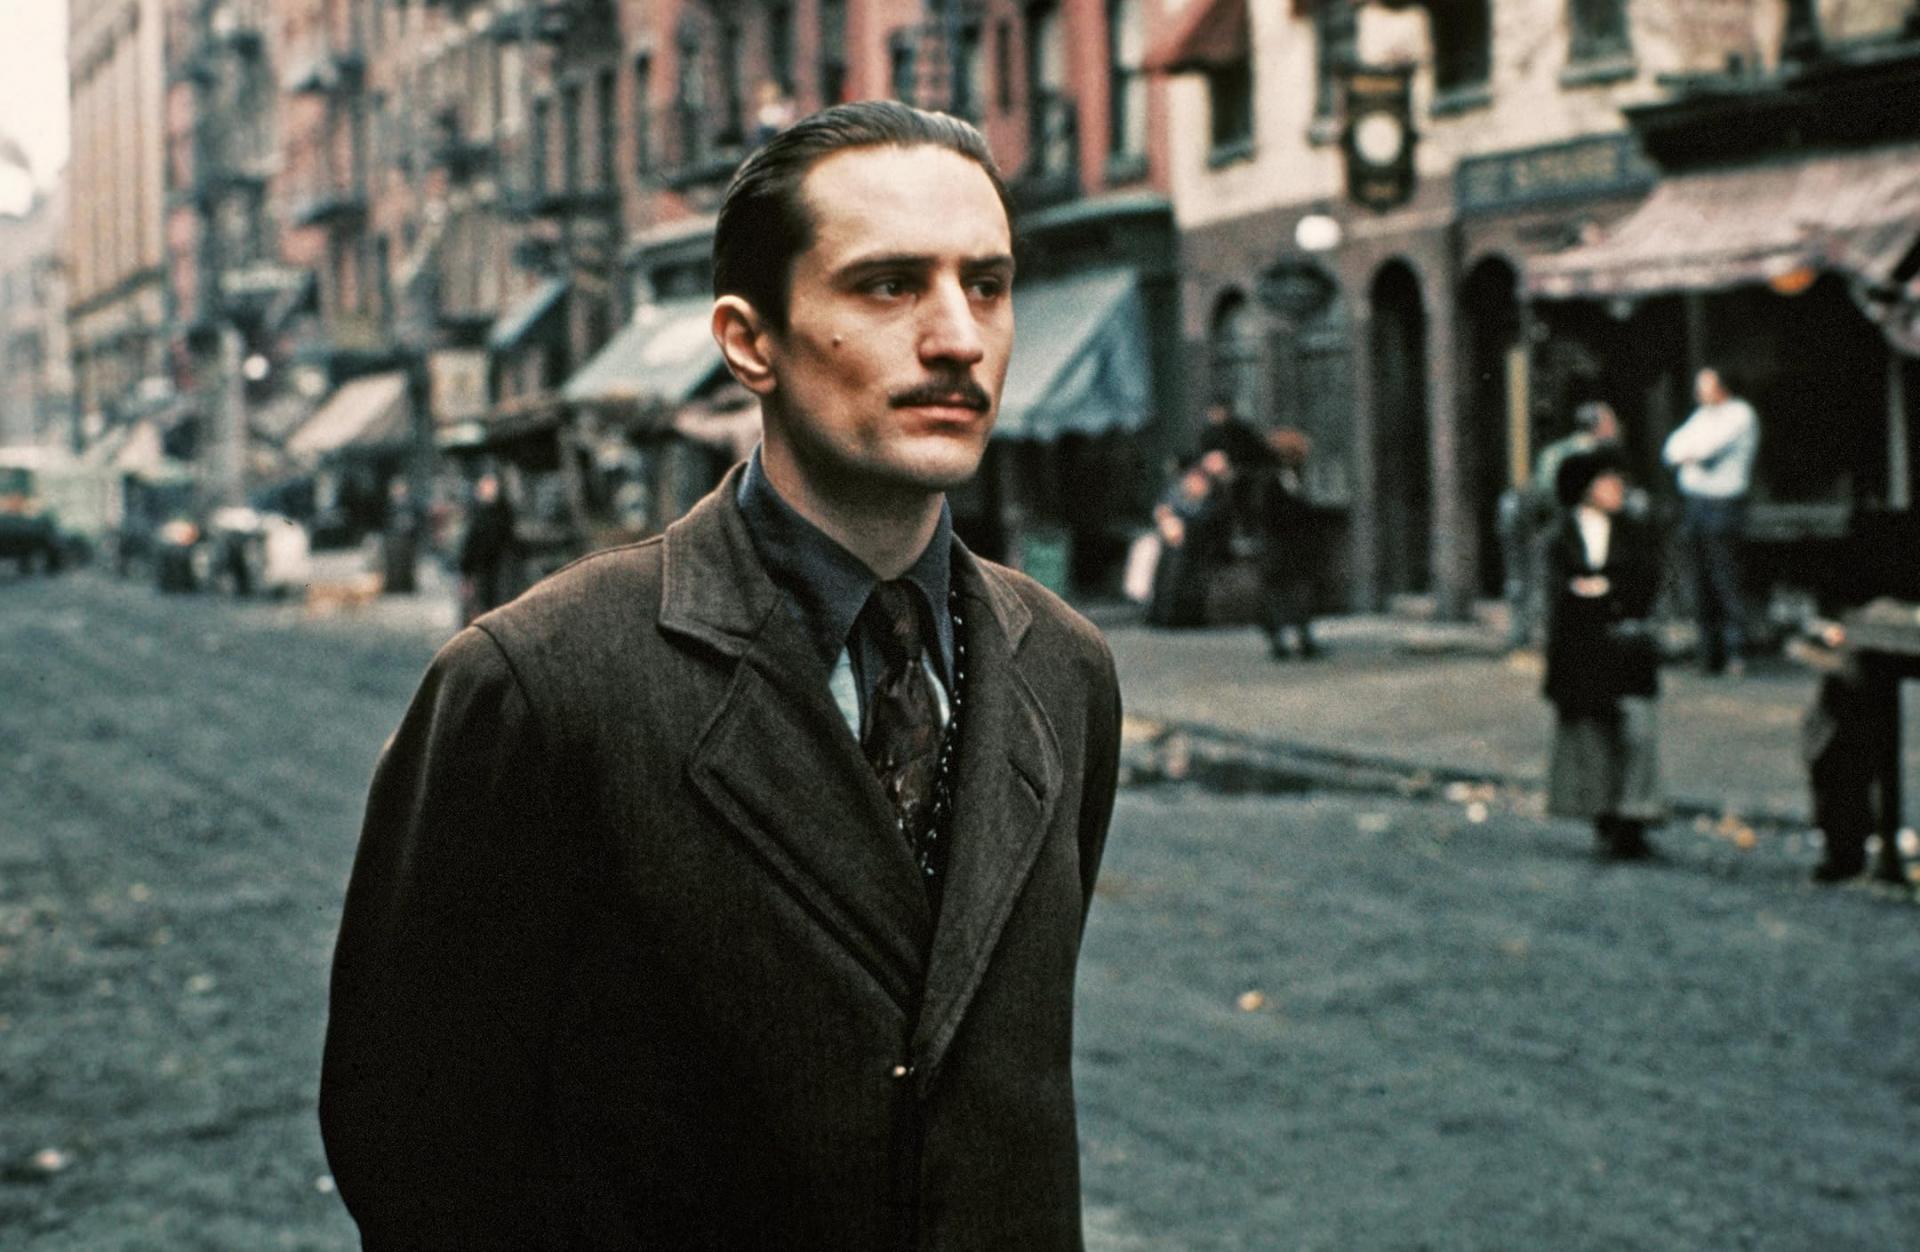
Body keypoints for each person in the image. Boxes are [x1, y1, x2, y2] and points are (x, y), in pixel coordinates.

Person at [319, 102, 1123, 1250]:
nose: (959, 337)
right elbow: (416, 1150)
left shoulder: (1064, 669)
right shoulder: (543, 682)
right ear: (750, 342)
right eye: (888, 286)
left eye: (986, 286)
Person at [1543, 447, 1665, 860]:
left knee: (1637, 731)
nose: (1617, 489)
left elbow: (1647, 582)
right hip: (1582, 650)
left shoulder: (1635, 532)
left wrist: (1605, 590)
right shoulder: (1560, 536)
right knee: (1591, 738)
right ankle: (1605, 818)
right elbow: (1557, 594)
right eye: (1607, 481)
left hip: (1626, 648)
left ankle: (1635, 817)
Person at [1663, 367, 1759, 675]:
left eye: (1705, 386)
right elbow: (1671, 450)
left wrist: (1690, 455)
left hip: (1724, 504)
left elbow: (1707, 450)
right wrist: (1687, 454)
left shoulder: (1739, 414)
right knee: (1700, 579)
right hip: (1696, 504)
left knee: (1724, 576)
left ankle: (1735, 651)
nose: (1699, 392)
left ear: (1722, 387)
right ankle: (1709, 653)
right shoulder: (1702, 417)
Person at [1503, 400, 1621, 648]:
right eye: (1611, 423)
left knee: (1524, 578)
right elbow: (1560, 495)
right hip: (1542, 522)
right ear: (1599, 427)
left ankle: (1524, 634)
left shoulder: (1559, 449)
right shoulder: (1589, 454)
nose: (1616, 428)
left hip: (1527, 517)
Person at [1255, 427, 1318, 660]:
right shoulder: (1271, 479)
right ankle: (1281, 640)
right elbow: (1269, 513)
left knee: (1295, 593)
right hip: (1279, 547)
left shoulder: (1294, 477)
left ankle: (1302, 639)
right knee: (1280, 594)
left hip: (1292, 547)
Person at [454, 471, 515, 624]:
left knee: (497, 604)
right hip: (479, 568)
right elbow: (470, 543)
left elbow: (507, 539)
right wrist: (466, 572)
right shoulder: (476, 512)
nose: (489, 490)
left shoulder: (504, 511)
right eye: (485, 486)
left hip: (499, 568)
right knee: (477, 605)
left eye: (491, 486)